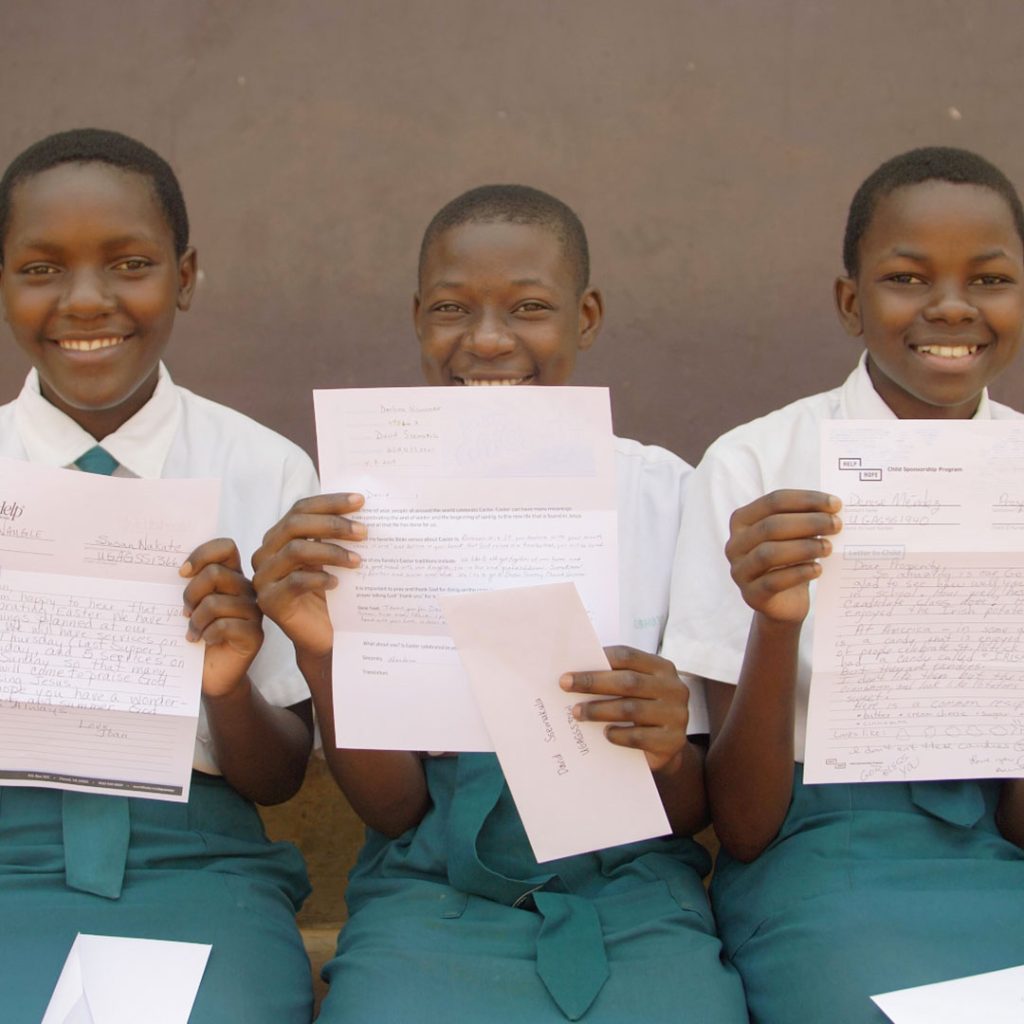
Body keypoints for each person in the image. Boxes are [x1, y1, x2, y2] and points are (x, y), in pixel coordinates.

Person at [252, 185, 748, 1023]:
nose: (486, 340)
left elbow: (691, 811)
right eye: (452, 308)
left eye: (529, 307)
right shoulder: (356, 518)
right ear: (417, 318)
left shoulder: (667, 497)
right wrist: (321, 652)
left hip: (631, 891)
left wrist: (666, 752)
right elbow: (395, 811)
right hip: (430, 890)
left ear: (586, 317)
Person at [662, 146, 1024, 1024]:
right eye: (906, 277)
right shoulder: (755, 469)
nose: (952, 307)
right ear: (850, 301)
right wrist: (775, 623)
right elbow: (744, 828)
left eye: (990, 279)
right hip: (818, 854)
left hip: (1001, 845)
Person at [0, 128, 317, 1023]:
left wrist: (224, 684)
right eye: (40, 269)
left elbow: (280, 778)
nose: (85, 300)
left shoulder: (265, 472)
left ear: (184, 276)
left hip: (196, 858)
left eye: (130, 264)